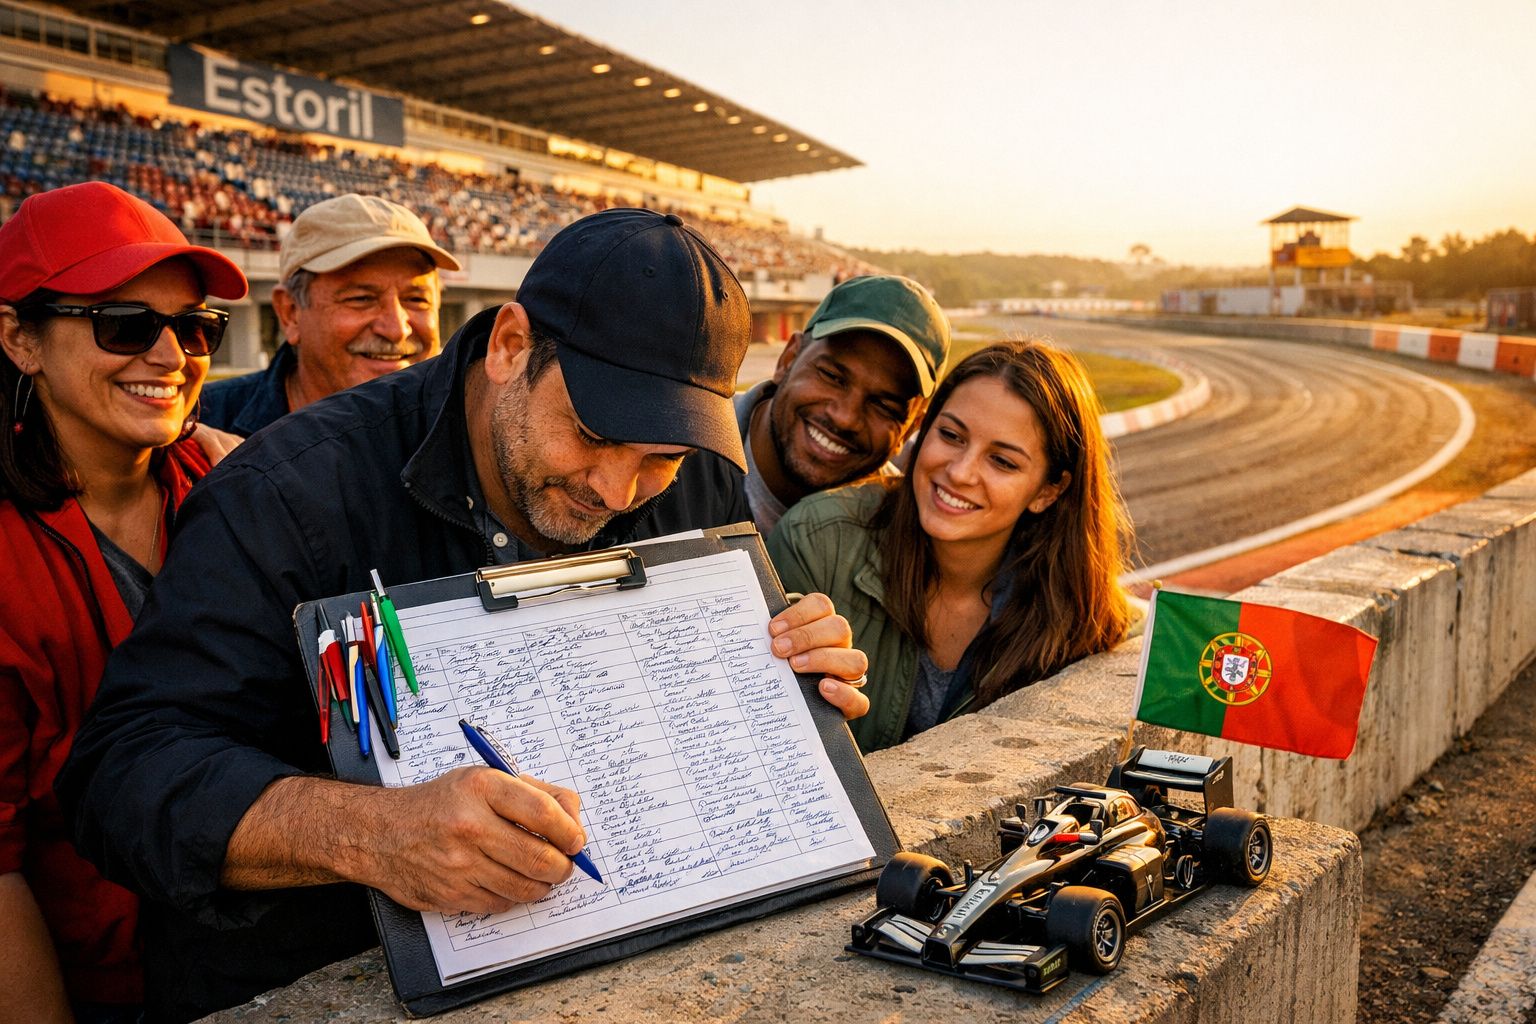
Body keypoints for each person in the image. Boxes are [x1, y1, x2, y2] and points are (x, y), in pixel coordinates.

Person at [59, 209, 869, 1023]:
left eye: (660, 456)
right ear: (510, 345)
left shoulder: (697, 484)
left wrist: (786, 679)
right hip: (323, 981)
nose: (618, 491)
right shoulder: (287, 492)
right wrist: (371, 834)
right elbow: (122, 775)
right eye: (590, 433)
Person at [0, 181, 247, 1023]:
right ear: (18, 339)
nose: (173, 357)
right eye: (125, 325)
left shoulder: (233, 485)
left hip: (243, 956)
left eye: (194, 326)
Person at [767, 340, 1132, 754]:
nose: (960, 472)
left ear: (1049, 490)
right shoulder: (815, 540)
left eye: (1003, 462)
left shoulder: (1079, 612)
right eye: (951, 435)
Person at [200, 193, 459, 435]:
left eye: (416, 299)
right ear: (290, 313)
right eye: (361, 299)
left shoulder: (473, 432)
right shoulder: (198, 426)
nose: (397, 329)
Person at [734, 274, 950, 534]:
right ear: (788, 359)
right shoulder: (683, 453)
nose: (845, 417)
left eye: (884, 406)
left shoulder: (903, 533)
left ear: (913, 426)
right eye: (832, 377)